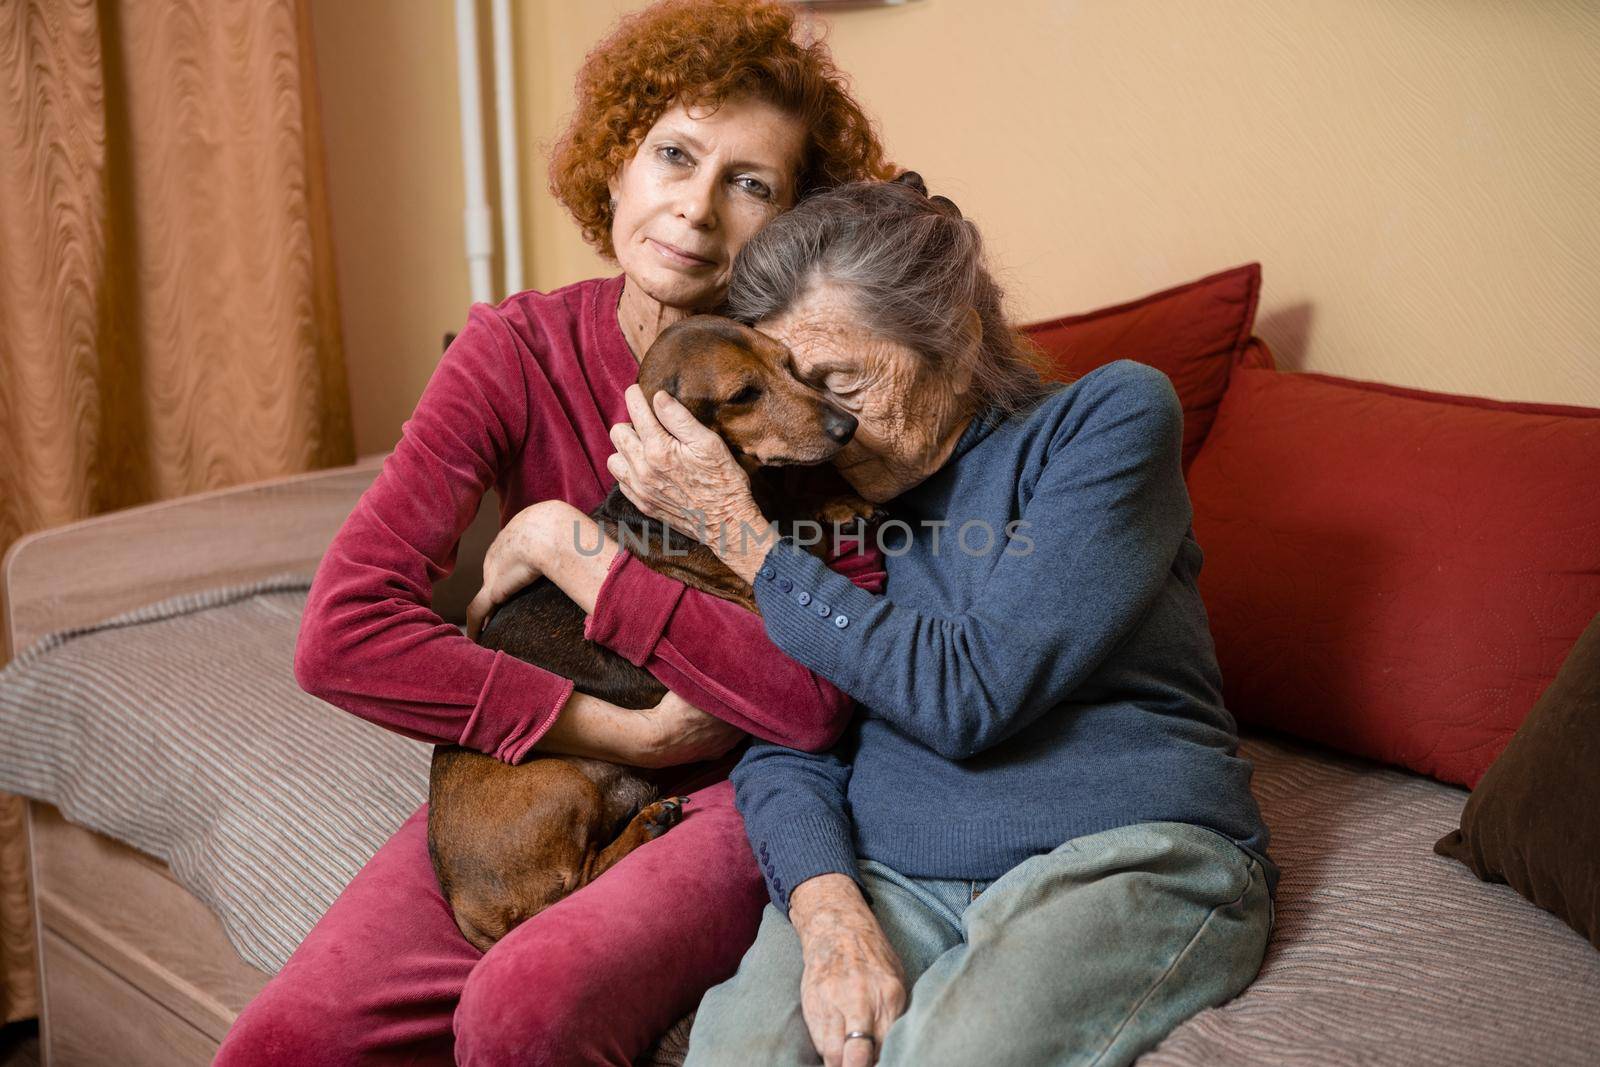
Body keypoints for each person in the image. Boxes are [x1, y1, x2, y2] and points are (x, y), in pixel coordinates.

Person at [213, 2, 893, 1064]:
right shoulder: (510, 351)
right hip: (551, 757)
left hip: (738, 789)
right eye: (673, 154)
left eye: (749, 182)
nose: (696, 209)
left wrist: (572, 546)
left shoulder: (809, 393)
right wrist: (618, 732)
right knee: (283, 1042)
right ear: (616, 166)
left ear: (792, 221)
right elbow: (339, 634)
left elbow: (808, 701)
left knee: (525, 1007)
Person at [601, 175, 1278, 1067]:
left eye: (841, 379)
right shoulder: (823, 503)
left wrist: (746, 542)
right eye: (799, 386)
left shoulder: (1107, 421)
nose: (827, 423)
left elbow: (972, 688)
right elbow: (784, 728)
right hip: (889, 876)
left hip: (1130, 855)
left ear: (955, 346)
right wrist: (827, 903)